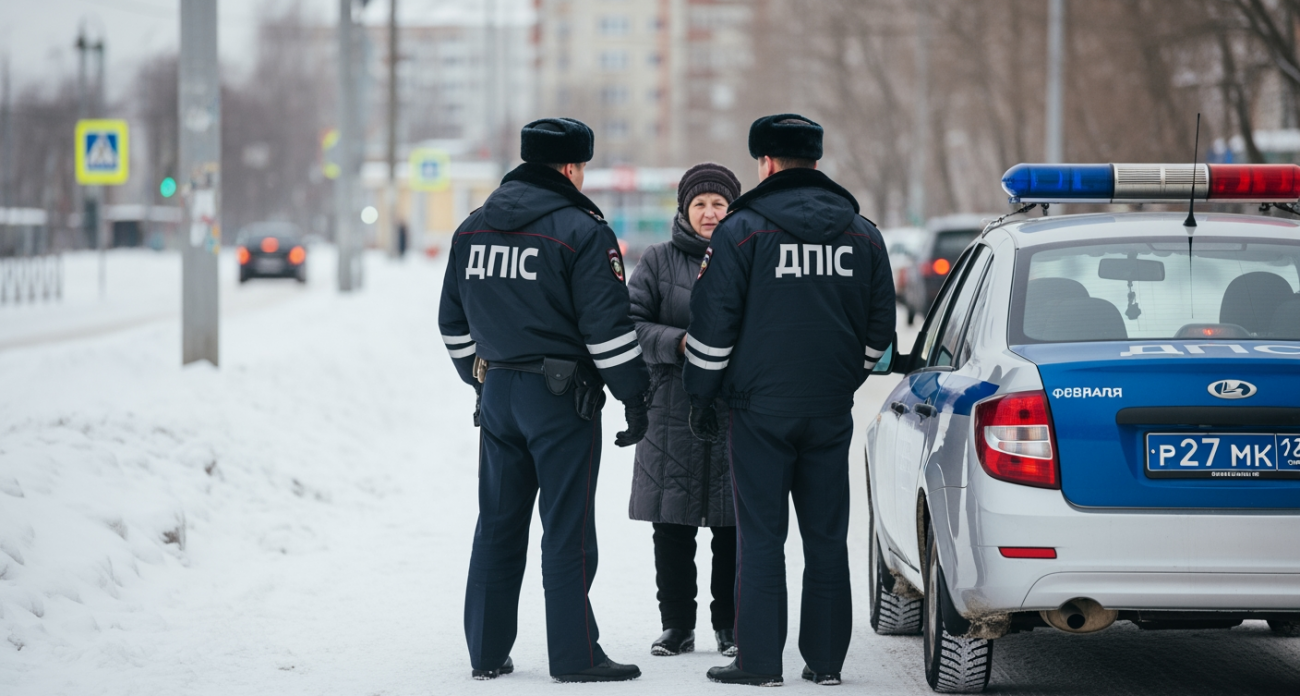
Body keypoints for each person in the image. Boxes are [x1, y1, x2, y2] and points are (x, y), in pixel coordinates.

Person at [682, 114, 895, 686]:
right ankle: (825, 664)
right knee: (827, 537)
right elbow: (881, 333)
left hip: (757, 411)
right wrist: (845, 379)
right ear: (816, 162)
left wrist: (701, 395)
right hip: (829, 409)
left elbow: (711, 329)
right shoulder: (864, 234)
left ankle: (758, 664)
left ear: (766, 163)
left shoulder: (741, 231)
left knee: (761, 538)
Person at [438, 117, 651, 683]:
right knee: (567, 528)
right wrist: (635, 396)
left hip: (500, 392)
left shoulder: (472, 228)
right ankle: (576, 656)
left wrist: (477, 376)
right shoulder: (582, 231)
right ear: (572, 167)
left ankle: (486, 652)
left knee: (498, 523)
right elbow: (607, 332)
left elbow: (453, 324)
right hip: (562, 400)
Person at [627, 163, 743, 659]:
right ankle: (676, 625)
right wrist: (677, 343)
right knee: (670, 523)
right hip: (670, 406)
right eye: (700, 204)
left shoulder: (748, 256)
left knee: (730, 523)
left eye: (719, 204)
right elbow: (629, 325)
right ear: (684, 210)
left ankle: (729, 625)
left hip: (732, 407)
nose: (710, 212)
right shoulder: (657, 261)